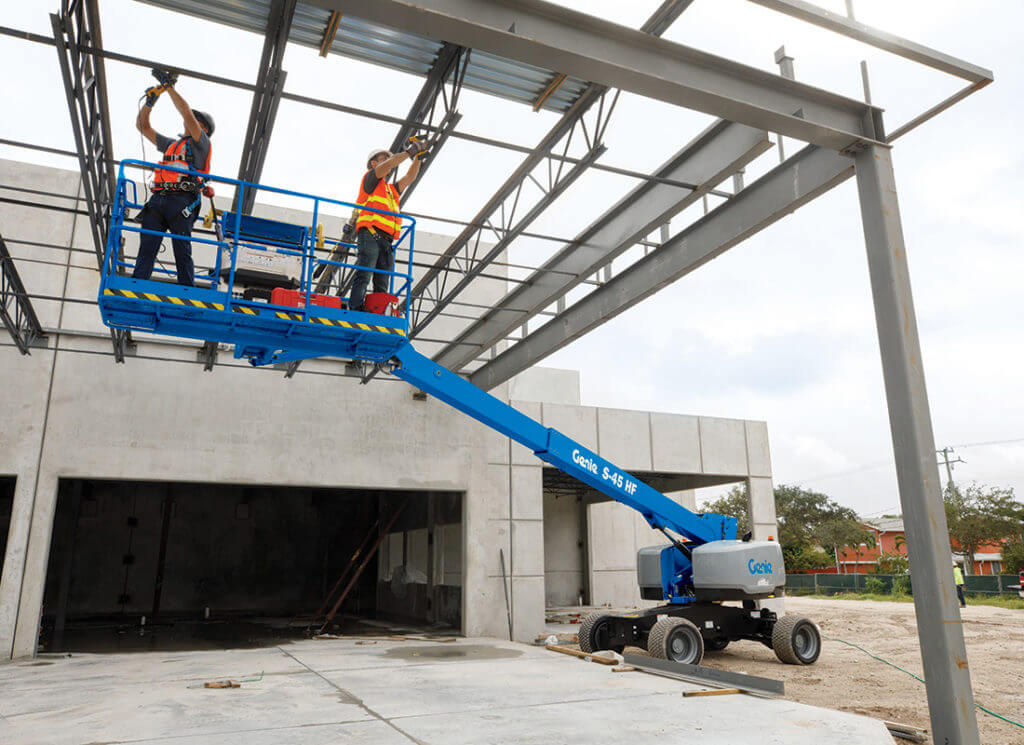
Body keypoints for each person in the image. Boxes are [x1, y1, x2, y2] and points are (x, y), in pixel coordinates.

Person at [133, 70, 214, 287]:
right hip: (159, 199)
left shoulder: (201, 143)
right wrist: (150, 102)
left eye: (196, 121)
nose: (189, 121)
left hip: (182, 200)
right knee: (147, 247)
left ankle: (187, 290)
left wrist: (169, 86)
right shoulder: (171, 144)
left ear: (203, 128)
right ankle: (137, 285)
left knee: (182, 249)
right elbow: (143, 127)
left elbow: (185, 112)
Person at [348, 139, 426, 312]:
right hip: (370, 233)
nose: (388, 162)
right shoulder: (370, 180)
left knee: (382, 281)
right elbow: (390, 164)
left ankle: (379, 309)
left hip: (386, 240)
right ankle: (355, 309)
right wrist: (409, 152)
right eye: (383, 159)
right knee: (364, 273)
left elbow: (410, 177)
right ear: (373, 164)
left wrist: (418, 157)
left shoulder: (391, 190)